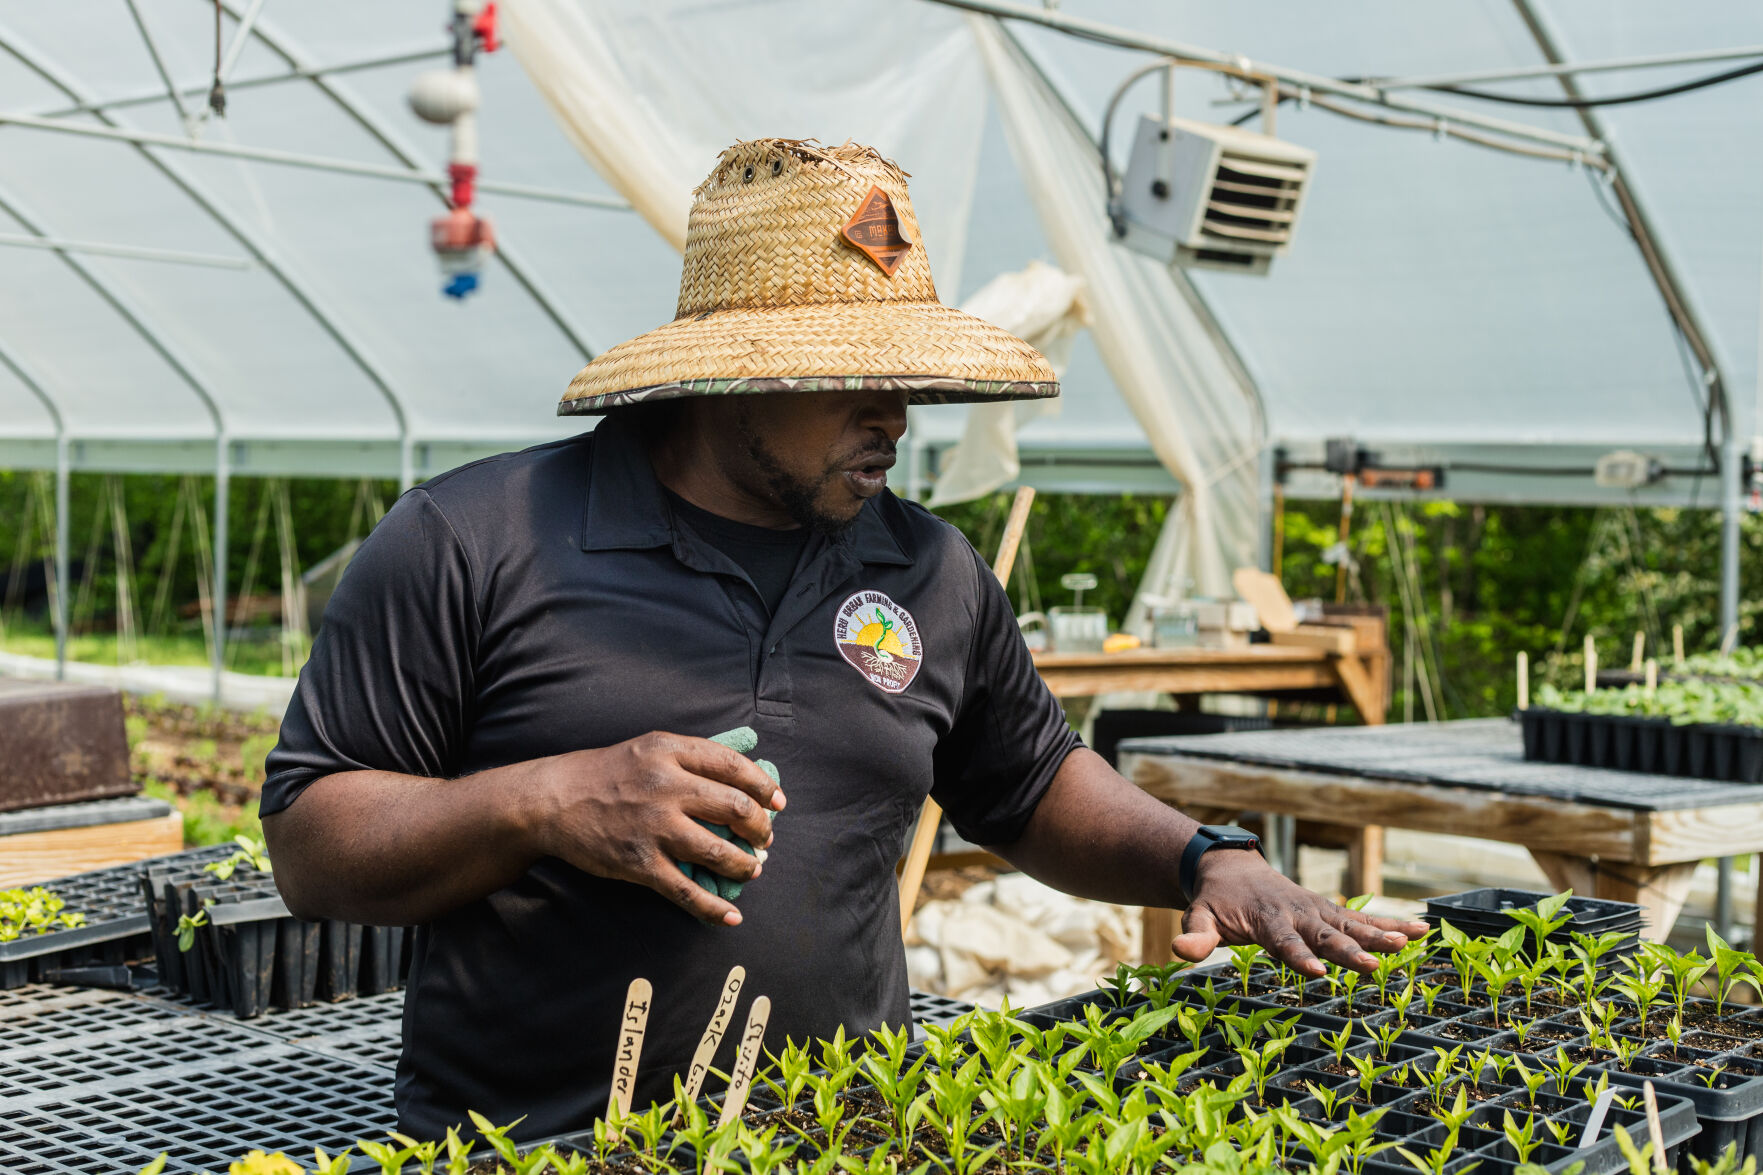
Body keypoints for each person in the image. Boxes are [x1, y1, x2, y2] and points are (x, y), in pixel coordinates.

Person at [262, 138, 1425, 1142]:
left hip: (842, 1132)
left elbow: (1025, 781)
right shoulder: (475, 540)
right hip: (532, 1145)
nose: (895, 414)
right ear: (726, 378)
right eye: (852, 376)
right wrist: (544, 799)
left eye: (905, 375)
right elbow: (312, 845)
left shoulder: (927, 569)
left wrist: (1203, 857)